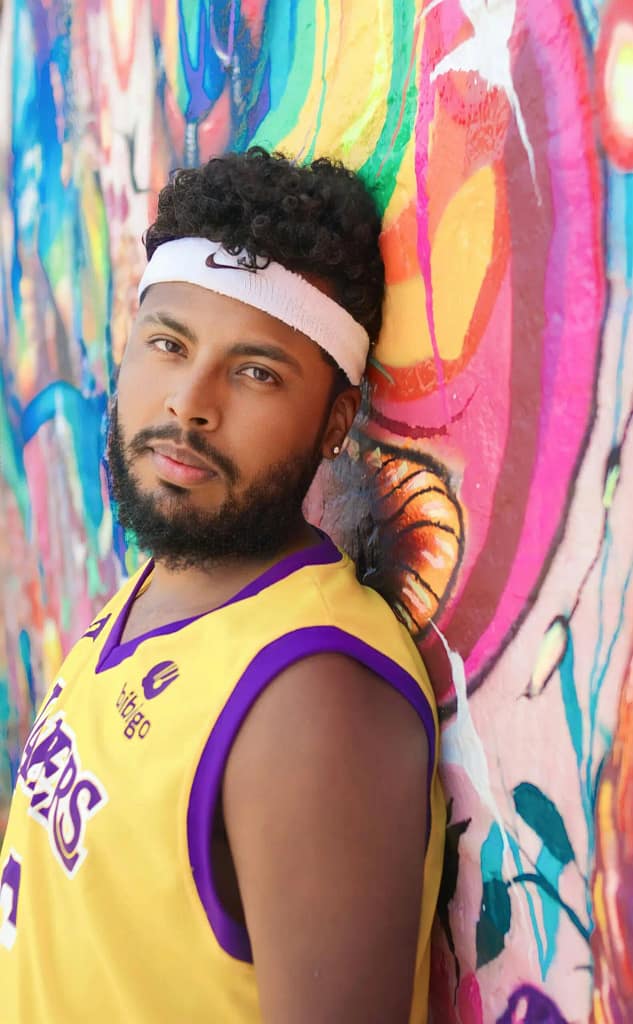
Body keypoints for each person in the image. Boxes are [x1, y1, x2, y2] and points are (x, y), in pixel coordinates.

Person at [0, 147, 444, 1023]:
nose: (188, 404)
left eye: (255, 373)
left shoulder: (309, 697)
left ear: (335, 422)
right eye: (168, 345)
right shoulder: (169, 574)